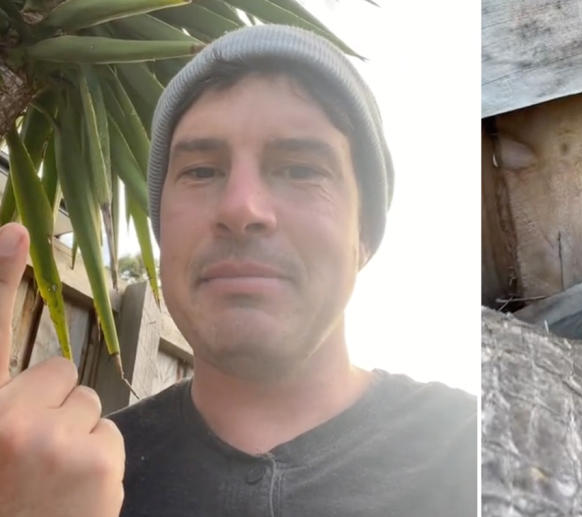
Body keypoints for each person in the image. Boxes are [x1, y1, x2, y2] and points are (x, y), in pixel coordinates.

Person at [0, 25, 476, 517]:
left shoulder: (474, 454)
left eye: (300, 169)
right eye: (201, 171)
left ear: (365, 235)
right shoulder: (57, 482)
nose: (240, 207)